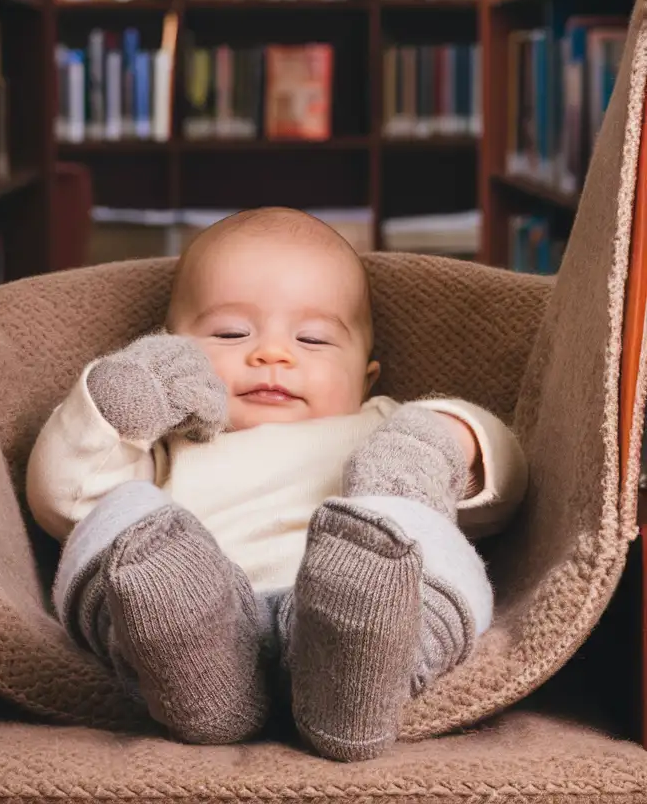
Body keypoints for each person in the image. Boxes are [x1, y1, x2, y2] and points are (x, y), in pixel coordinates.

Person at [27, 207, 527, 761]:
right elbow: (67, 497)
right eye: (230, 332)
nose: (272, 353)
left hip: (363, 605)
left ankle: (357, 676)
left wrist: (442, 441)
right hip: (205, 617)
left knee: (419, 530)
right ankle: (202, 682)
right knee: (119, 517)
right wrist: (134, 399)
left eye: (312, 340)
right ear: (172, 349)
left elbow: (504, 489)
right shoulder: (169, 444)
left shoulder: (383, 422)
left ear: (366, 378)